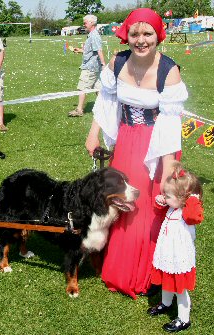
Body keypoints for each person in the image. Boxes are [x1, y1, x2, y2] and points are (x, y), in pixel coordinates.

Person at [85, 8, 188, 299]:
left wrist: (168, 170)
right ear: (125, 35)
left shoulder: (169, 71)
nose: (141, 40)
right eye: (135, 34)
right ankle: (120, 268)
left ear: (158, 36)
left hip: (157, 145)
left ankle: (150, 272)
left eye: (147, 34)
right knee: (123, 202)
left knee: (150, 206)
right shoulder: (117, 63)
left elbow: (169, 125)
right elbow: (105, 99)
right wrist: (94, 133)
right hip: (127, 139)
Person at [148, 162, 203, 332]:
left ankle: (183, 318)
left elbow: (196, 216)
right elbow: (159, 211)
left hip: (179, 257)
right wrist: (161, 201)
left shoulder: (187, 213)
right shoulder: (172, 208)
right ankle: (165, 303)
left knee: (180, 289)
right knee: (166, 280)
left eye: (168, 195)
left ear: (183, 199)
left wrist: (193, 198)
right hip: (168, 254)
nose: (165, 197)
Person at [68, 14, 106, 117]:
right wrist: (80, 50)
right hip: (94, 67)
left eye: (85, 22)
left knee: (82, 88)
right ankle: (103, 109)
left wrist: (103, 64)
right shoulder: (92, 34)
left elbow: (99, 50)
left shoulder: (94, 35)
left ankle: (79, 110)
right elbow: (91, 50)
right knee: (98, 89)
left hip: (90, 67)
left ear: (92, 23)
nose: (83, 24)